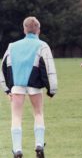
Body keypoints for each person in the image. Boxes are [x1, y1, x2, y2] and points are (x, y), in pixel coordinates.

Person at [0, 16, 57, 158]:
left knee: (16, 117)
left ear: (24, 29)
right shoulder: (42, 45)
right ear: (38, 29)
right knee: (38, 113)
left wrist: (6, 89)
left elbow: (3, 68)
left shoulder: (12, 46)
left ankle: (17, 150)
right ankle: (39, 145)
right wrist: (52, 90)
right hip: (35, 86)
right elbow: (50, 68)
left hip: (16, 87)